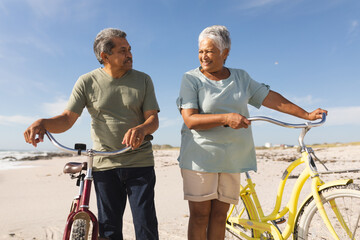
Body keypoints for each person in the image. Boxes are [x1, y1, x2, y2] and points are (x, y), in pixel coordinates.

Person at [176, 25, 327, 240]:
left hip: (232, 157)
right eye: (201, 51)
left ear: (225, 53)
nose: (203, 56)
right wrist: (226, 118)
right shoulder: (191, 79)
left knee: (220, 216)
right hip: (200, 158)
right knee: (200, 216)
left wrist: (306, 115)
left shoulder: (241, 78)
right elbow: (190, 119)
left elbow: (271, 99)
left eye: (209, 51)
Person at [24, 28, 160, 240]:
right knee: (109, 229)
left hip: (139, 162)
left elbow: (153, 120)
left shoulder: (143, 80)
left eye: (130, 49)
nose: (130, 54)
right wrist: (43, 123)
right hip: (105, 164)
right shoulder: (86, 82)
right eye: (123, 51)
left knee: (146, 227)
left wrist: (142, 128)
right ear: (105, 56)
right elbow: (67, 119)